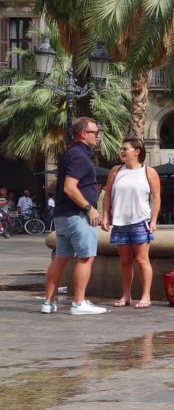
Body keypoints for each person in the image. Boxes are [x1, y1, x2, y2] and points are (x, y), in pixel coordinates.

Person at [41, 118, 106, 315]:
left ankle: (48, 302)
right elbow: (70, 188)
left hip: (62, 215)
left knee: (61, 258)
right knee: (86, 257)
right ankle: (78, 303)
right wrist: (89, 208)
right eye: (95, 132)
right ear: (83, 134)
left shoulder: (71, 153)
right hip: (77, 215)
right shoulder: (79, 156)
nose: (98, 136)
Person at [101, 138, 161, 309]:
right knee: (125, 261)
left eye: (125, 149)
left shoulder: (148, 172)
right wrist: (105, 216)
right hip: (120, 222)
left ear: (137, 152)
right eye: (121, 149)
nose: (122, 152)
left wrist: (154, 220)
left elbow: (156, 198)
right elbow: (107, 195)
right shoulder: (115, 171)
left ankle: (146, 295)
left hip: (140, 221)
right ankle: (126, 295)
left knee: (142, 259)